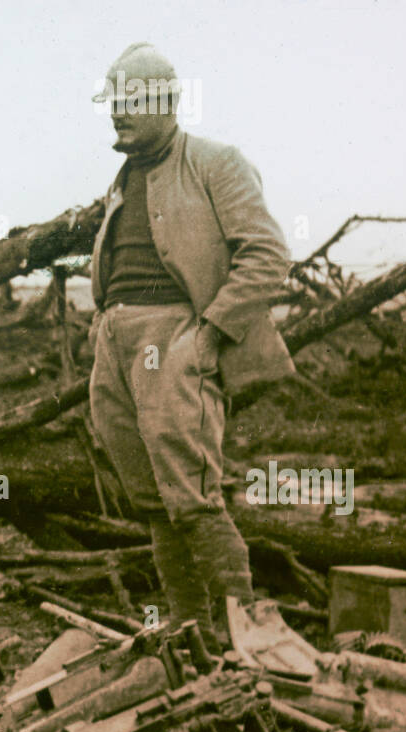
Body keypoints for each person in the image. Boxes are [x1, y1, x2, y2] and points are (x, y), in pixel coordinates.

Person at [86, 43, 295, 648]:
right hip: (117, 342)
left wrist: (206, 337)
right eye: (113, 102)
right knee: (153, 500)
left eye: (129, 101)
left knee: (193, 493)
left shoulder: (215, 162)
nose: (117, 114)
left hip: (175, 339)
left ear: (165, 101)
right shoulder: (124, 180)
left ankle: (247, 635)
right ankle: (191, 637)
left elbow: (267, 255)